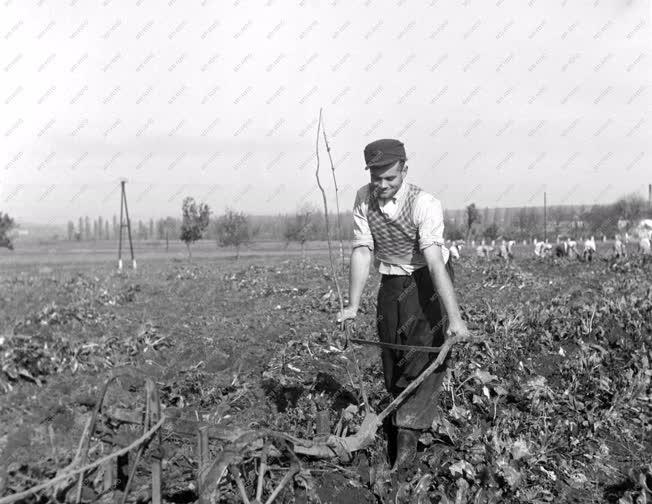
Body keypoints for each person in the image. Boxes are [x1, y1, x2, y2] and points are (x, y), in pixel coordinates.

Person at [336, 138, 469, 471]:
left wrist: (454, 318)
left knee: (423, 353)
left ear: (404, 171)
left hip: (427, 278)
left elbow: (435, 260)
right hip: (392, 280)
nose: (382, 185)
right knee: (392, 350)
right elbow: (363, 250)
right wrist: (352, 305)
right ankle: (396, 420)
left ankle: (408, 435)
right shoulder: (363, 200)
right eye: (376, 178)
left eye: (390, 178)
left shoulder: (424, 203)